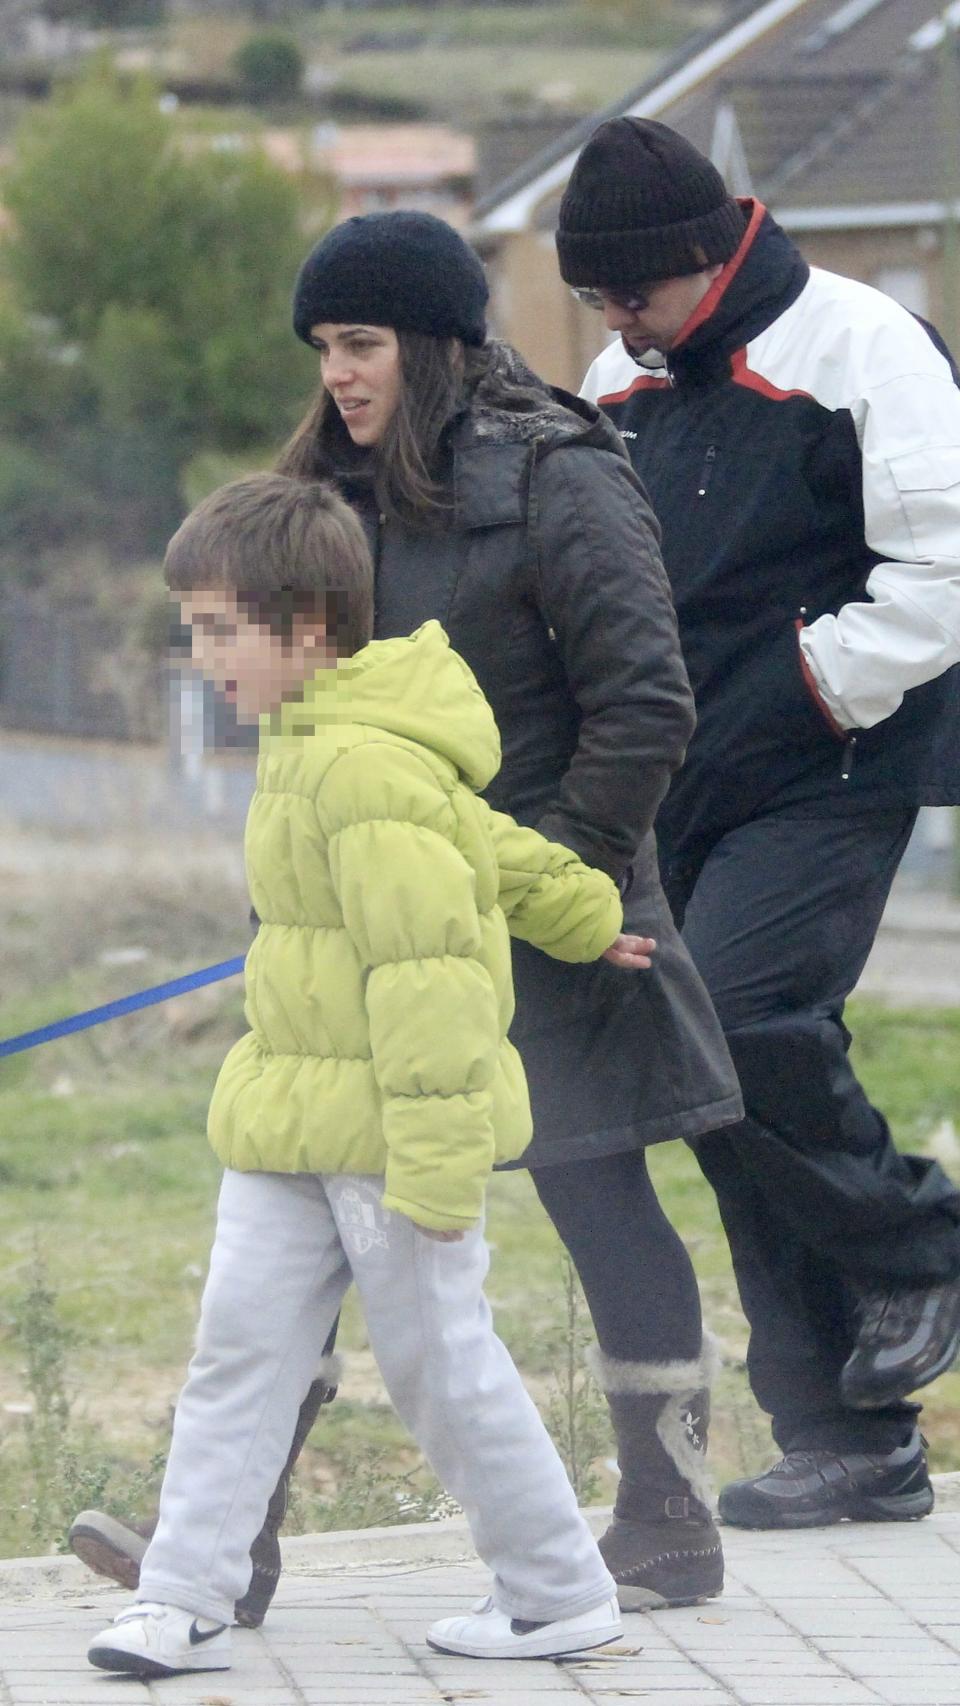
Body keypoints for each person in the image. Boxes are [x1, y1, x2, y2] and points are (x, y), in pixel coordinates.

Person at [71, 211, 743, 1617]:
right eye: (323, 348)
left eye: (363, 343)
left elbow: (645, 704)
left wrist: (556, 883)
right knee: (306, 1213)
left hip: (563, 890)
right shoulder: (319, 487)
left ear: (436, 343)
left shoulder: (564, 475)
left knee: (598, 1192)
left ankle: (669, 1516)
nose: (341, 374)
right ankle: (227, 1553)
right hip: (377, 918)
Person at [88, 471, 649, 1678]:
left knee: (442, 1366)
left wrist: (440, 1171)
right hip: (295, 1115)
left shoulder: (358, 766)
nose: (203, 657)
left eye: (219, 630)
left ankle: (557, 1591)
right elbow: (481, 839)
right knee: (239, 1349)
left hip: (394, 1140)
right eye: (195, 629)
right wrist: (578, 908)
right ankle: (182, 1594)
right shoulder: (319, 744)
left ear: (304, 628)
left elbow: (430, 966)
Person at [555, 117, 960, 1529]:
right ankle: (849, 1436)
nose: (614, 321)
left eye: (632, 293)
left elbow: (940, 575)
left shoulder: (869, 348)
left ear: (704, 256)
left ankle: (924, 1245)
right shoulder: (624, 378)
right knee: (701, 1071)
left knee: (735, 1015)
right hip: (691, 774)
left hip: (836, 756)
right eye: (596, 299)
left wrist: (807, 686)